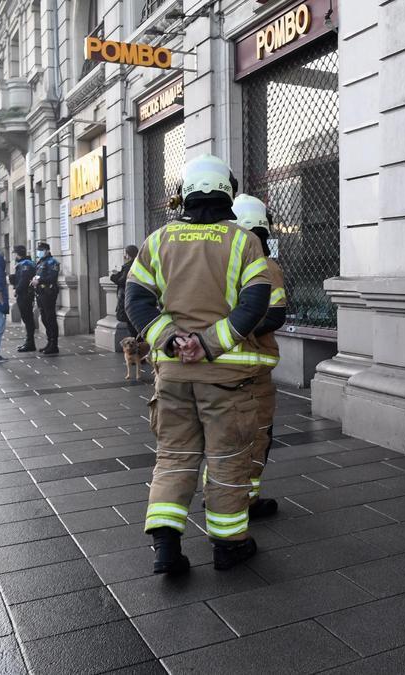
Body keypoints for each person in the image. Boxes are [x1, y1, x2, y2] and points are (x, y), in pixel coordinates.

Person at [125, 154, 271, 575]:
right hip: (226, 379)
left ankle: (166, 550)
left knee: (173, 456)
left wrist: (171, 340)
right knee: (227, 459)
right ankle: (229, 547)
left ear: (183, 193)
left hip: (172, 376)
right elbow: (256, 300)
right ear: (228, 190)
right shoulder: (244, 240)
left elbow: (135, 299)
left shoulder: (158, 240)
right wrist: (208, 344)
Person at [232, 194, 287, 518]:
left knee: (226, 437)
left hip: (220, 368)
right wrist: (245, 332)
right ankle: (246, 500)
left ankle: (220, 495)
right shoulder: (266, 265)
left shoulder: (224, 264)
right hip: (254, 368)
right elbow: (276, 315)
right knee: (257, 435)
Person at [31, 242, 60, 354]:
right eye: (39, 250)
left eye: (41, 250)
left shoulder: (53, 262)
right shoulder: (40, 262)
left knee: (50, 318)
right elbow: (38, 275)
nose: (39, 252)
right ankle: (49, 342)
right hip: (40, 292)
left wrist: (39, 281)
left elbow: (52, 277)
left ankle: (54, 344)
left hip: (49, 293)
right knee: (44, 318)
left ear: (47, 250)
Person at [11, 245, 38, 352]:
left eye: (15, 253)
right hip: (24, 294)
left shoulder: (26, 264)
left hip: (25, 294)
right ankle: (28, 342)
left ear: (18, 254)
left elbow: (24, 279)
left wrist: (16, 290)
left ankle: (30, 343)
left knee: (28, 318)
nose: (14, 256)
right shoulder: (24, 263)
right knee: (27, 319)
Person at [110, 244, 140, 339]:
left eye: (125, 253)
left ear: (128, 254)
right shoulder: (138, 263)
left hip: (127, 298)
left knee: (131, 326)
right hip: (136, 297)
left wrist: (113, 276)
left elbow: (122, 281)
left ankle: (136, 348)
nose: (124, 256)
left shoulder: (128, 266)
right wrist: (119, 273)